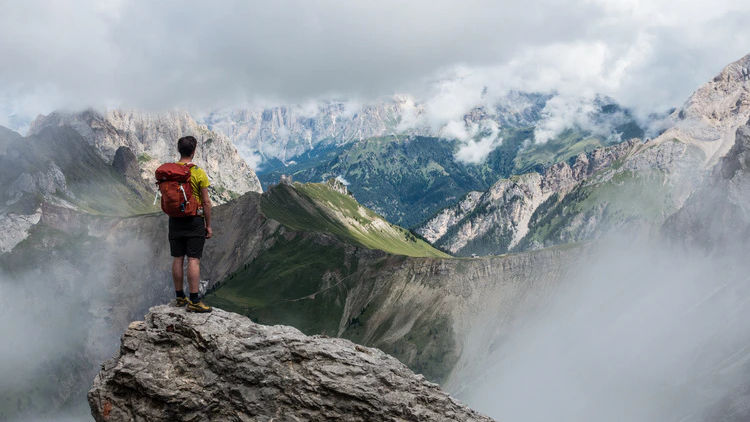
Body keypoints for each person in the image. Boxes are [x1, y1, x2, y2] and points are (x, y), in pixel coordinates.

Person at [169, 136, 213, 313]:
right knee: (193, 259)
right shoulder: (198, 173)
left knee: (178, 258)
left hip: (175, 220)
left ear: (179, 150)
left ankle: (180, 297)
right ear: (194, 151)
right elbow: (207, 202)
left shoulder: (170, 171)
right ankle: (194, 300)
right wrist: (208, 226)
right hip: (194, 220)